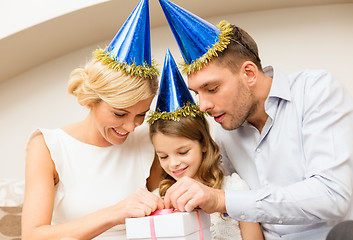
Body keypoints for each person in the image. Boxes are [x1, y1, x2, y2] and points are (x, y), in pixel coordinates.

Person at [158, 0, 353, 239]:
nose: (203, 106)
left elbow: (333, 196)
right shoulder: (224, 131)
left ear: (249, 73)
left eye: (212, 88)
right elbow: (215, 183)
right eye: (198, 93)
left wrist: (222, 200)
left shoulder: (316, 90)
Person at [21, 0, 163, 239]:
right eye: (119, 114)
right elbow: (33, 235)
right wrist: (114, 213)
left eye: (141, 115)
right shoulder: (48, 146)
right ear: (90, 100)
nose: (130, 127)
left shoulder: (150, 141)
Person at [148, 49, 263, 239]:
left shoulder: (233, 189)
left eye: (183, 152)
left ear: (203, 144)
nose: (174, 163)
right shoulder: (160, 200)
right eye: (164, 156)